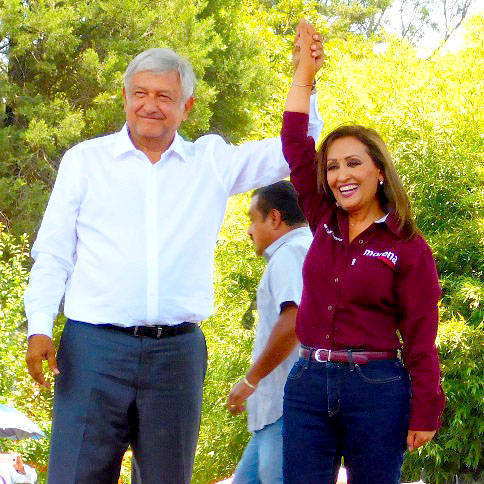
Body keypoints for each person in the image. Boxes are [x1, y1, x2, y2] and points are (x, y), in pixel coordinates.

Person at [23, 44, 323, 484]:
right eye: (140, 93)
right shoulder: (85, 162)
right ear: (125, 98)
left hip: (176, 356)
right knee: (74, 476)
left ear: (187, 106)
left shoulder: (211, 163)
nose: (150, 105)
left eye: (164, 96)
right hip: (92, 350)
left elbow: (295, 149)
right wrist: (39, 326)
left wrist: (304, 79)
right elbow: (53, 253)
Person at [280, 19, 446, 484]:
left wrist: (426, 408)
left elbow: (420, 336)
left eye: (353, 163)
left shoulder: (407, 246)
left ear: (379, 171)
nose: (341, 175)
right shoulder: (322, 219)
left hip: (377, 389)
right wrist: (304, 75)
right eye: (333, 167)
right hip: (308, 384)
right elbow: (294, 144)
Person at [226, 181, 313, 483]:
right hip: (275, 412)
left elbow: (295, 321)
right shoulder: (302, 250)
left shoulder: (291, 253)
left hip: (287, 409)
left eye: (253, 219)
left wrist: (251, 380)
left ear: (274, 217)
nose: (249, 231)